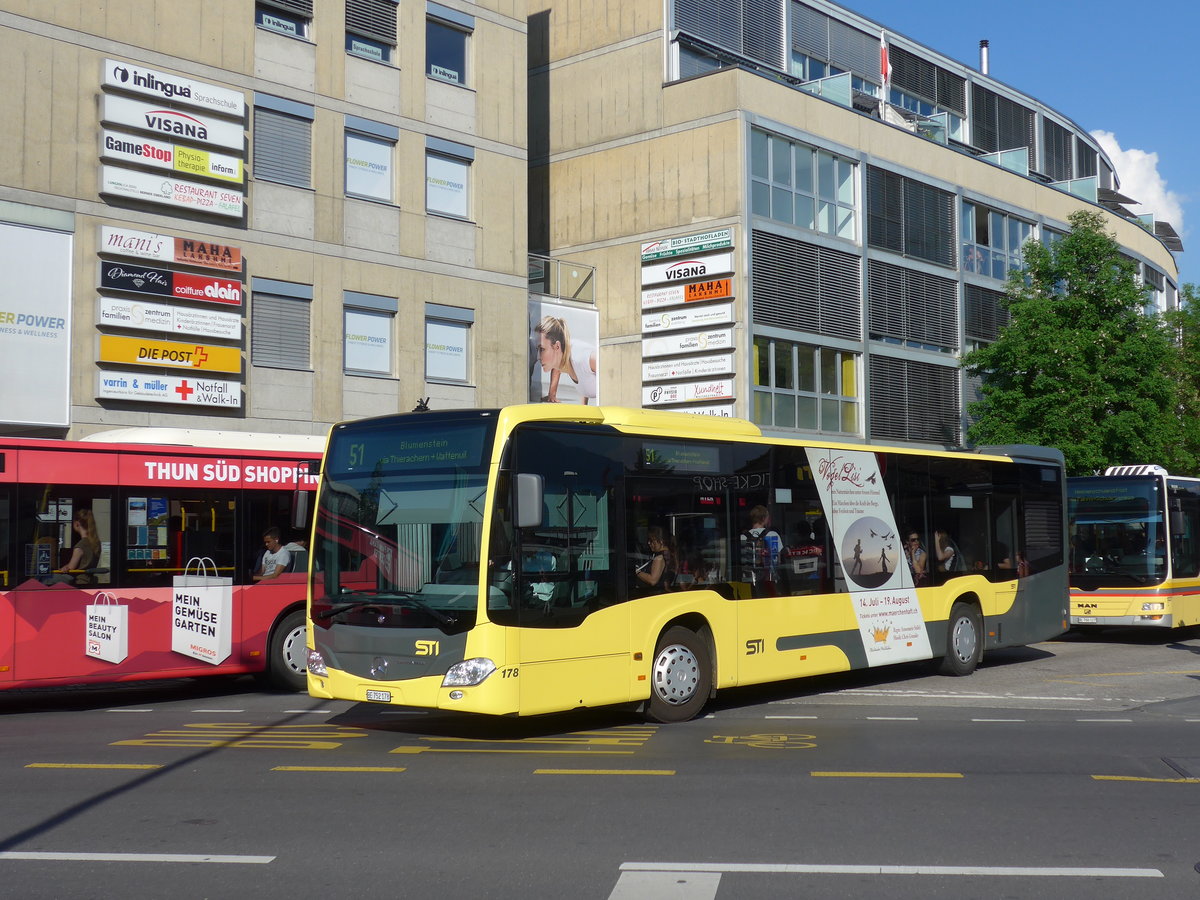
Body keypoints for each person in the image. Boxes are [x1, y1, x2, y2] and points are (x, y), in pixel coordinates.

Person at [533, 315, 598, 405]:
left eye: (542, 349)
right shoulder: (563, 360)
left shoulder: (583, 357)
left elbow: (610, 367)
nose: (538, 357)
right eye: (537, 349)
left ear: (557, 346)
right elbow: (584, 379)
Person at [47, 509, 100, 585]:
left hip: (80, 583)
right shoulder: (96, 543)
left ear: (77, 524)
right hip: (90, 582)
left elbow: (70, 568)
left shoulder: (80, 546)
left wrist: (63, 568)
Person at [742, 505, 782, 591]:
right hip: (769, 579)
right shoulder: (773, 535)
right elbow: (778, 560)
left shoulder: (742, 537)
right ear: (764, 518)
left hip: (748, 580)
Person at [635, 527, 675, 592]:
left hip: (655, 594)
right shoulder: (670, 554)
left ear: (661, 541)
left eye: (651, 540)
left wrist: (637, 572)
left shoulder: (659, 558)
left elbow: (653, 580)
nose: (649, 543)